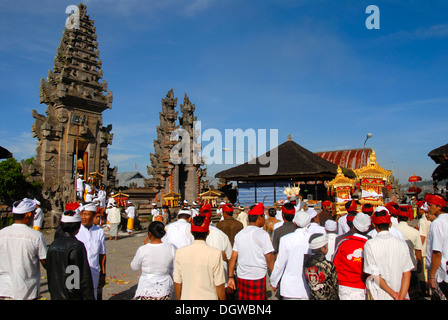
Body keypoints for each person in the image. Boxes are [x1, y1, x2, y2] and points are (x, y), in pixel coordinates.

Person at [0, 198, 47, 300]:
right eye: (33, 214)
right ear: (28, 215)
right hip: (27, 290)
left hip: (5, 289)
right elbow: (45, 261)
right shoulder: (36, 236)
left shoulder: (1, 233)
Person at [363, 207, 414, 300]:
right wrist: (401, 296)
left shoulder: (369, 244)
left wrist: (394, 295)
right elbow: (407, 273)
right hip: (400, 292)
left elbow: (375, 275)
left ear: (374, 225)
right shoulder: (401, 243)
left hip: (379, 294)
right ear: (390, 224)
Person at [47, 202, 95, 300]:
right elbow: (82, 278)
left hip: (56, 293)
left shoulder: (53, 245)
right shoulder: (76, 246)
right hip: (71, 295)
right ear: (77, 227)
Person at [227, 203, 275, 300]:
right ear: (258, 218)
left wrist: (231, 277)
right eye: (263, 216)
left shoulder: (239, 235)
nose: (264, 219)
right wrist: (275, 277)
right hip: (257, 277)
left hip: (242, 277)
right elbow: (269, 258)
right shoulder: (262, 234)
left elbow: (233, 257)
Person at [173, 214, 226, 300]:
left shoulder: (180, 252)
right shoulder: (215, 253)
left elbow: (177, 282)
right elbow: (219, 284)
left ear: (191, 232)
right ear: (208, 232)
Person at [270, 211, 311, 300]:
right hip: (309, 286)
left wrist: (274, 281)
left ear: (295, 223)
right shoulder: (311, 239)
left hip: (290, 288)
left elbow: (280, 263)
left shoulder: (286, 239)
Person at [130, 221, 176, 300]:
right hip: (164, 287)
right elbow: (176, 267)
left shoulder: (143, 249)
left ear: (149, 233)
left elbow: (134, 267)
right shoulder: (171, 248)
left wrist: (145, 248)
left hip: (146, 288)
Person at [332, 212, 371, 300]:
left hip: (344, 289)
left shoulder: (343, 242)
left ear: (353, 227)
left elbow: (335, 265)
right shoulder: (370, 245)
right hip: (362, 289)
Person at [76, 202, 107, 300]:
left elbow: (102, 254)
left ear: (93, 216)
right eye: (81, 214)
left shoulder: (99, 231)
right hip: (77, 272)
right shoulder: (76, 230)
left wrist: (103, 274)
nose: (83, 217)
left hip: (94, 271)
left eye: (86, 214)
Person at [395, 206, 423, 299]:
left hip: (397, 267)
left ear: (398, 218)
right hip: (411, 267)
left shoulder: (393, 230)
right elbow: (418, 251)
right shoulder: (414, 232)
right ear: (408, 219)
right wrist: (419, 264)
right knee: (412, 294)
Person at [425, 194, 448, 299]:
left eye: (430, 205)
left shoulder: (437, 223)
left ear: (439, 207)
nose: (428, 208)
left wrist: (432, 275)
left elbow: (437, 252)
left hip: (441, 273)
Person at [303, 233, 339, 300]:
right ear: (322, 248)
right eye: (327, 245)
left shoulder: (306, 264)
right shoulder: (328, 265)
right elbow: (335, 286)